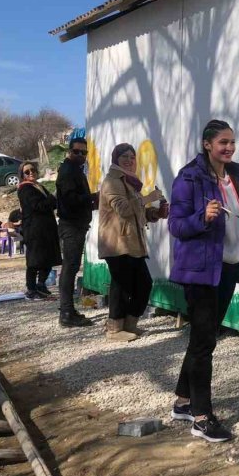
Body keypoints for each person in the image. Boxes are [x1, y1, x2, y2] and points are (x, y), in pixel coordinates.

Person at [167, 119, 239, 442]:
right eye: (222, 143)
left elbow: (235, 222)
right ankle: (202, 417)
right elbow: (176, 225)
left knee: (204, 336)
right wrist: (202, 217)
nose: (228, 148)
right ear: (207, 144)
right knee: (205, 343)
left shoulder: (232, 177)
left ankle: (184, 401)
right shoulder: (189, 178)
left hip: (227, 267)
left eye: (231, 142)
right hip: (200, 271)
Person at [98, 143, 168, 342]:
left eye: (132, 156)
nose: (129, 160)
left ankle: (129, 325)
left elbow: (138, 213)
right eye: (124, 157)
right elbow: (123, 209)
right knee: (121, 286)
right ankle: (114, 329)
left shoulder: (130, 182)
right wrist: (149, 198)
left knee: (143, 284)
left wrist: (156, 213)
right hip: (116, 242)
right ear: (116, 160)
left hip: (132, 242)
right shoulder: (112, 181)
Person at [17, 162, 71, 313]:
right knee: (34, 260)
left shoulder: (37, 186)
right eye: (27, 172)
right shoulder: (25, 189)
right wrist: (53, 197)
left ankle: (41, 285)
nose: (31, 173)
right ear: (22, 175)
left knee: (47, 258)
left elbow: (50, 204)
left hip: (45, 228)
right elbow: (39, 206)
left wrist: (52, 199)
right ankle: (31, 289)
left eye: (33, 170)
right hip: (34, 229)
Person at [56, 137, 98, 326]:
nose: (80, 155)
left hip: (76, 224)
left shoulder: (74, 170)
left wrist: (91, 202)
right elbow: (70, 199)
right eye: (77, 152)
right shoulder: (68, 170)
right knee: (70, 267)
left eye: (84, 152)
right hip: (71, 226)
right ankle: (66, 313)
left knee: (71, 267)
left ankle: (68, 310)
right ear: (69, 152)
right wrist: (92, 198)